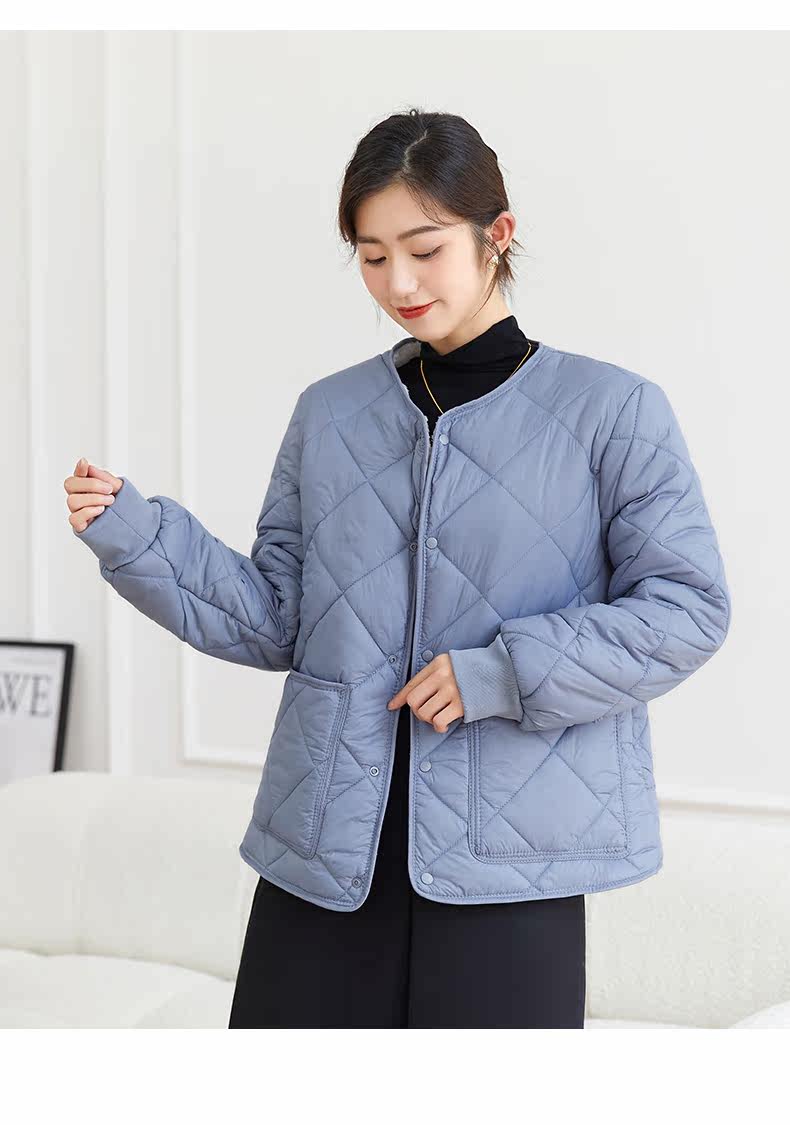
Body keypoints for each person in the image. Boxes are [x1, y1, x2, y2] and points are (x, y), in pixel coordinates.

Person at [65, 108, 730, 1028]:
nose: (399, 282)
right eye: (372, 256)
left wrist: (501, 671)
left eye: (424, 249)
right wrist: (140, 538)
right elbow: (278, 616)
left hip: (510, 862)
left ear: (497, 234)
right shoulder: (330, 413)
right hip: (326, 849)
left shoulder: (613, 411)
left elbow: (688, 608)